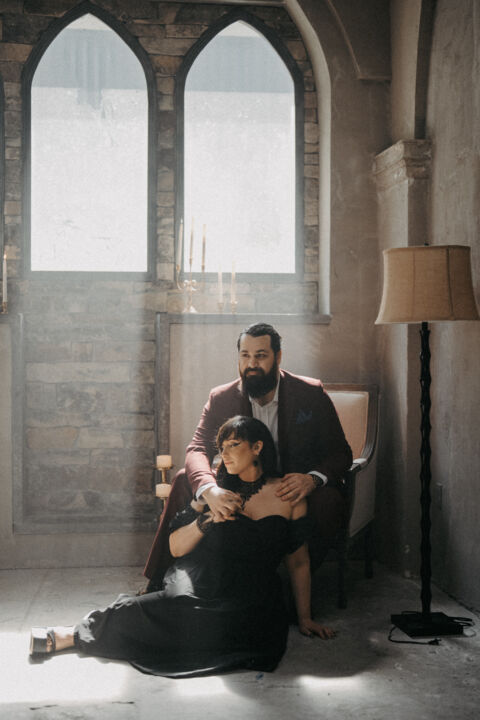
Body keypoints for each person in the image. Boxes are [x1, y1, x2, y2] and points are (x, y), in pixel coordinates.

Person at [30, 417, 335, 678]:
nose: (225, 454)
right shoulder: (214, 491)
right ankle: (72, 634)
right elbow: (176, 548)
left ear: (257, 447)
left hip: (253, 594)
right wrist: (207, 519)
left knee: (242, 630)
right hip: (204, 575)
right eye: (222, 448)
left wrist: (305, 618)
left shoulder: (287, 495)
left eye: (234, 445)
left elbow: (298, 562)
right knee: (175, 607)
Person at [144, 322, 353, 590]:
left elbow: (341, 452)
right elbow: (197, 448)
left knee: (329, 499)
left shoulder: (310, 393)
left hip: (292, 485)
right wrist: (209, 489)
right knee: (185, 478)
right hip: (242, 481)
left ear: (278, 356)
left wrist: (312, 479)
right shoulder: (221, 397)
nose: (251, 364)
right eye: (245, 355)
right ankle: (157, 580)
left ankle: (297, 585)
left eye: (261, 355)